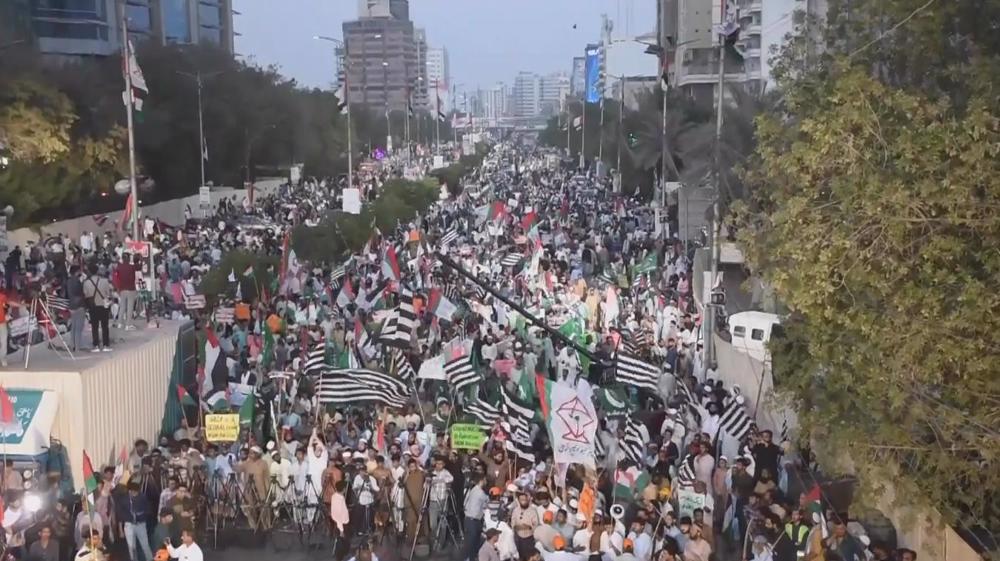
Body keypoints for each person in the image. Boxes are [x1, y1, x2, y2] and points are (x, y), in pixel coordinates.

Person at [118, 481, 154, 561]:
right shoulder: (124, 499)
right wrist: (120, 530)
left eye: (136, 492)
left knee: (145, 545)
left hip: (140, 524)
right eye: (132, 492)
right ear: (129, 491)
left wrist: (140, 515)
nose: (134, 494)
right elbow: (120, 515)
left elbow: (148, 510)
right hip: (129, 525)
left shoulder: (143, 497)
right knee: (131, 547)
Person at [82, 263, 112, 352]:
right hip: (103, 305)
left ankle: (96, 345)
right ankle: (106, 344)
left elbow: (86, 295)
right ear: (97, 271)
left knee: (94, 326)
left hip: (93, 306)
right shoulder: (105, 281)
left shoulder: (86, 283)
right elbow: (108, 294)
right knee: (104, 326)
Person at [464, 474, 490, 561]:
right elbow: (487, 502)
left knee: (474, 541)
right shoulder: (480, 493)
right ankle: (470, 558)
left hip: (470, 519)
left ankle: (471, 557)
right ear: (481, 481)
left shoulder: (473, 490)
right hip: (473, 521)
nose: (486, 482)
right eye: (485, 480)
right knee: (472, 542)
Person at [116, 254, 139, 330]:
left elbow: (117, 278)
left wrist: (118, 288)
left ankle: (119, 323)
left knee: (122, 306)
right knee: (130, 307)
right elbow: (134, 277)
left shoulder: (119, 267)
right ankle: (128, 325)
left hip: (122, 289)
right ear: (128, 259)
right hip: (131, 288)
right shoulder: (131, 267)